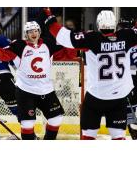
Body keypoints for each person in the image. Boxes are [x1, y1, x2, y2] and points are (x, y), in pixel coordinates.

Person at [41, 8, 137, 140]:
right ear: (114, 23)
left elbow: (63, 37)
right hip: (119, 97)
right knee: (118, 136)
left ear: (98, 24)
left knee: (88, 136)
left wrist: (50, 18)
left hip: (96, 97)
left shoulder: (91, 38)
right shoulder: (128, 35)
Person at [0, 21, 65, 140]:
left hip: (46, 90)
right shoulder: (18, 46)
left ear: (39, 32)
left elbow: (66, 51)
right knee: (27, 123)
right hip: (25, 91)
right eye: (30, 31)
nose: (33, 33)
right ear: (25, 34)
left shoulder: (48, 43)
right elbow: (0, 55)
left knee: (56, 119)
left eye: (36, 31)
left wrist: (77, 44)